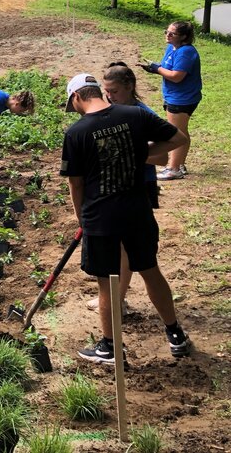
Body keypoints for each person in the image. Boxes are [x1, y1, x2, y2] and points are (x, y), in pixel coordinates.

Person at [60, 74, 190, 364]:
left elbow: (76, 185)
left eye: (73, 105)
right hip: (137, 211)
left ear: (78, 97)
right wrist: (138, 154)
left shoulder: (76, 133)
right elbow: (178, 138)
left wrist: (82, 220)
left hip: (101, 217)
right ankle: (175, 334)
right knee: (149, 269)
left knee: (106, 281)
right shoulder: (134, 114)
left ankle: (109, 346)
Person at [85, 62, 160, 315]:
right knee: (116, 247)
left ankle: (118, 298)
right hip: (114, 185)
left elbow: (164, 155)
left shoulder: (142, 113)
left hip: (139, 186)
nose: (109, 95)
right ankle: (115, 296)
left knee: (127, 248)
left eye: (114, 91)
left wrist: (129, 153)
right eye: (106, 90)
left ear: (130, 87)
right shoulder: (111, 110)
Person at [139, 21, 202, 180]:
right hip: (175, 96)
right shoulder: (172, 48)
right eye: (166, 31)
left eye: (172, 33)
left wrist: (157, 69)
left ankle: (173, 168)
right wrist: (154, 69)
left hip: (182, 99)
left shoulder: (186, 52)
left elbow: (176, 76)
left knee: (175, 134)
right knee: (182, 131)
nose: (167, 35)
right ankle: (179, 164)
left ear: (184, 37)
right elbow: (168, 68)